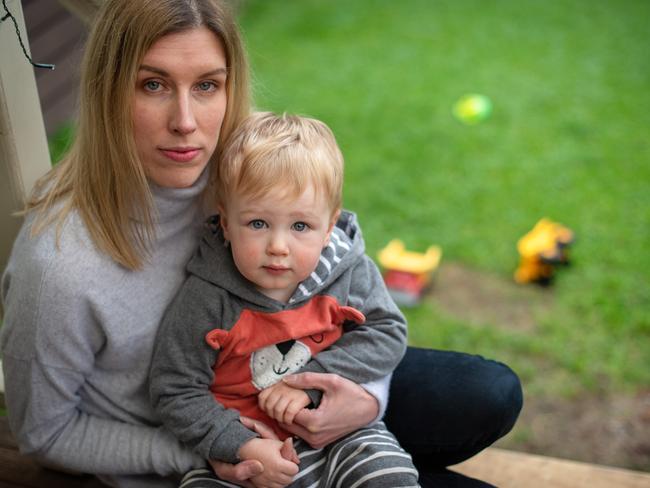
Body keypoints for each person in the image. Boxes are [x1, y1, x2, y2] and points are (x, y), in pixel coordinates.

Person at [0, 1, 522, 487]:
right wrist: (215, 453)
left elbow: (340, 271)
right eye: (153, 85)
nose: (186, 123)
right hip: (205, 448)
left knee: (486, 393)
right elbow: (46, 434)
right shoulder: (57, 267)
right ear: (106, 90)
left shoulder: (239, 167)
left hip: (305, 386)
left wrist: (363, 402)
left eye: (207, 85)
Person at [150, 111, 420, 487]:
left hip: (341, 437)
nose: (278, 247)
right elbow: (174, 388)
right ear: (226, 223)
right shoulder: (206, 297)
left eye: (300, 226)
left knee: (386, 474)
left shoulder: (349, 273)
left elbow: (386, 331)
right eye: (258, 223)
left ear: (328, 227)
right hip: (246, 452)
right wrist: (238, 445)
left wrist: (312, 383)